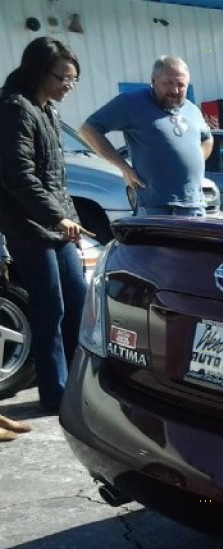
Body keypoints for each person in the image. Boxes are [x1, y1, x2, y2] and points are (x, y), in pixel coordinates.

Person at [0, 36, 90, 414]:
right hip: (29, 227)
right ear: (38, 71)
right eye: (63, 78)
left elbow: (55, 178)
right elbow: (19, 175)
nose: (68, 86)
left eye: (74, 79)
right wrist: (57, 216)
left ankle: (80, 388)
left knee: (79, 300)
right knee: (49, 308)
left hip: (58, 226)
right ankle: (55, 394)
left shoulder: (48, 110)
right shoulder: (13, 108)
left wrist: (72, 220)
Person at [79, 55, 213, 216]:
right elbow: (89, 130)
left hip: (194, 206)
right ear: (153, 80)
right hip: (155, 207)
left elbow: (207, 139)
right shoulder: (131, 103)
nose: (175, 90)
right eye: (168, 83)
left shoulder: (192, 110)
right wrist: (124, 167)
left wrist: (194, 160)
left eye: (181, 85)